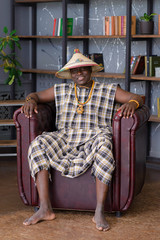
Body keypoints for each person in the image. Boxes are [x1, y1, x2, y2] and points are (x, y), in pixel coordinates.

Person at [21, 49, 143, 231]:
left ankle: (99, 211)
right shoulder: (60, 90)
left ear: (90, 70)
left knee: (104, 146)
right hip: (66, 136)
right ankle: (45, 208)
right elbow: (35, 95)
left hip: (96, 135)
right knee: (38, 144)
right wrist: (30, 100)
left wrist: (131, 103)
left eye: (83, 69)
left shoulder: (108, 89)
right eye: (75, 70)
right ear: (70, 74)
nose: (79, 73)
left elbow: (138, 97)